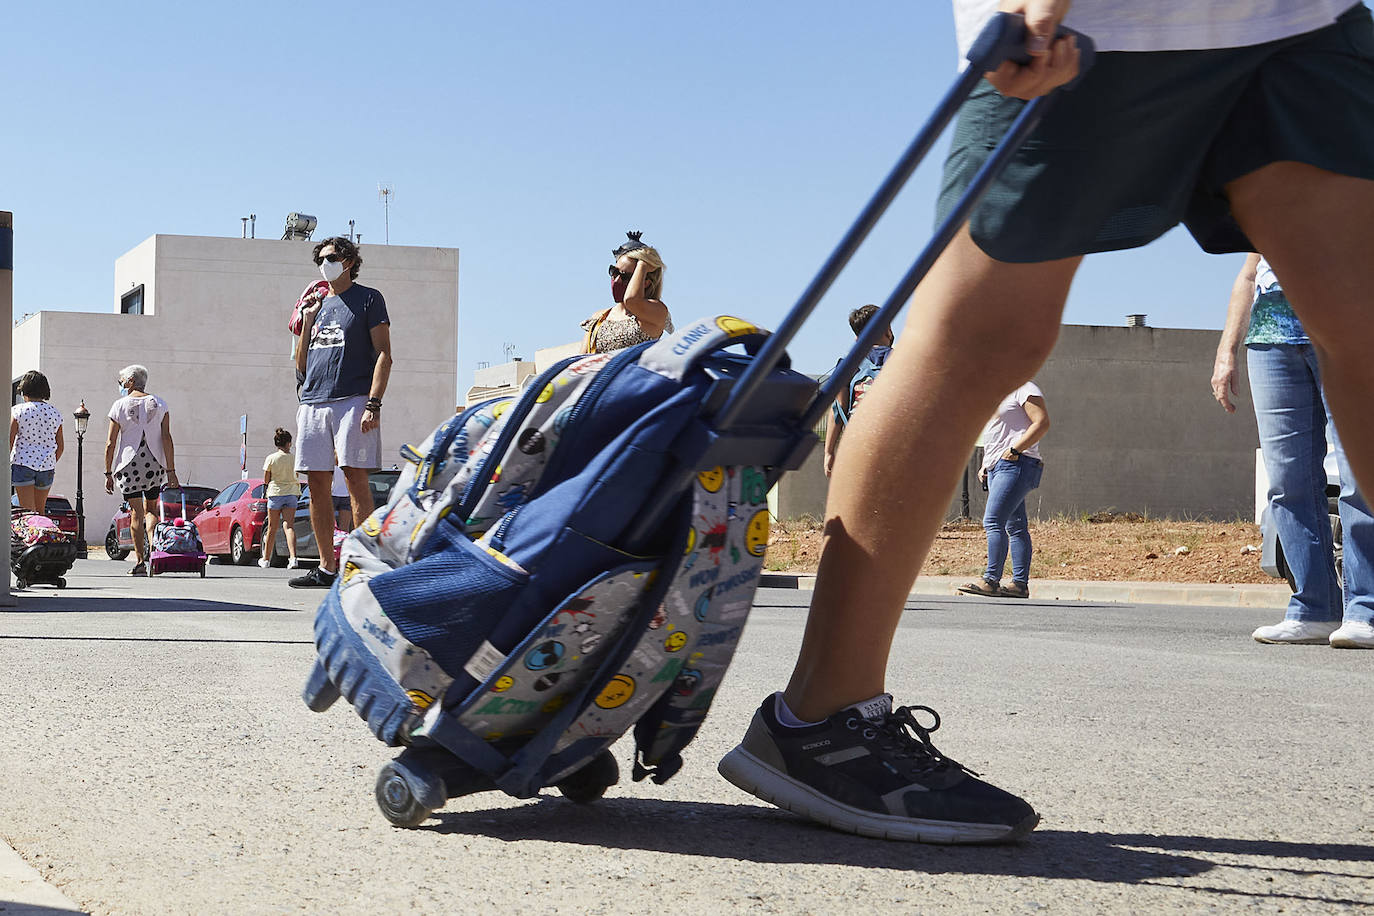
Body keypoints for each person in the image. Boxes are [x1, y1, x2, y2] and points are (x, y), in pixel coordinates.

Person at [717, 0, 1374, 845]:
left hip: (1296, 20)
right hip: (1104, 27)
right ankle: (822, 721)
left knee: (1364, 321)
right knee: (980, 340)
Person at [1213, 254, 1374, 648]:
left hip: (1348, 328)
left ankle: (1366, 609)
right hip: (1271, 339)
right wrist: (1225, 351)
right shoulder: (1267, 196)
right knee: (1287, 483)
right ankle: (1314, 608)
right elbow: (1250, 274)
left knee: (1358, 475)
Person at [290, 236, 392, 589]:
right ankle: (327, 567)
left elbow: (384, 354)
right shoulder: (316, 304)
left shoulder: (368, 299)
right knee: (316, 483)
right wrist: (306, 321)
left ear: (348, 261)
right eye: (320, 258)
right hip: (313, 400)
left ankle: (363, 566)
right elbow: (301, 364)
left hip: (353, 398)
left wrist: (373, 403)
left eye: (331, 257)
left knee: (354, 476)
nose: (325, 263)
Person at [957, 382, 1049, 599]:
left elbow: (1042, 422)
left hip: (1018, 462)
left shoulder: (1025, 388)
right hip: (1000, 465)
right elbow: (997, 434)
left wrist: (1014, 450)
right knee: (1015, 526)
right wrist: (986, 465)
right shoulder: (996, 392)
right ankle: (1019, 584)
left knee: (993, 520)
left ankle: (991, 580)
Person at [103, 365, 178, 576]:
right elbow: (166, 438)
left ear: (131, 381)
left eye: (122, 381)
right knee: (151, 510)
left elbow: (111, 442)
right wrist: (171, 469)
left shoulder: (119, 406)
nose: (120, 385)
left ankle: (140, 562)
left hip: (129, 465)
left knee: (135, 512)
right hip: (154, 463)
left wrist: (108, 472)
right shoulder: (160, 403)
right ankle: (155, 551)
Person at [823, 305, 894, 478]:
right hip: (892, 440)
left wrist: (829, 452)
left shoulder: (849, 364)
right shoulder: (900, 359)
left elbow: (838, 408)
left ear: (858, 338)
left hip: (857, 441)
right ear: (887, 330)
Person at [581, 231, 673, 353]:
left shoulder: (657, 312)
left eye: (626, 277)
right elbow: (580, 359)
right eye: (615, 272)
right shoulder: (599, 317)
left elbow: (631, 301)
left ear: (646, 282)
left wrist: (643, 264)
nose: (617, 280)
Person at [9, 370, 64, 513]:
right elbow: (60, 446)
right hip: (47, 467)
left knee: (27, 511)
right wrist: (49, 460)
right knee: (40, 511)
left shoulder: (17, 411)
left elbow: (9, 441)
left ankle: (30, 536)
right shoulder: (55, 413)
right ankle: (42, 535)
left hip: (23, 463)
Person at [260, 427, 302, 570]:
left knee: (272, 527)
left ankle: (266, 559)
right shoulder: (294, 458)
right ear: (289, 443)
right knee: (289, 526)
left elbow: (266, 479)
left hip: (275, 493)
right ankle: (293, 558)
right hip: (291, 492)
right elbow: (297, 475)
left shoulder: (271, 458)